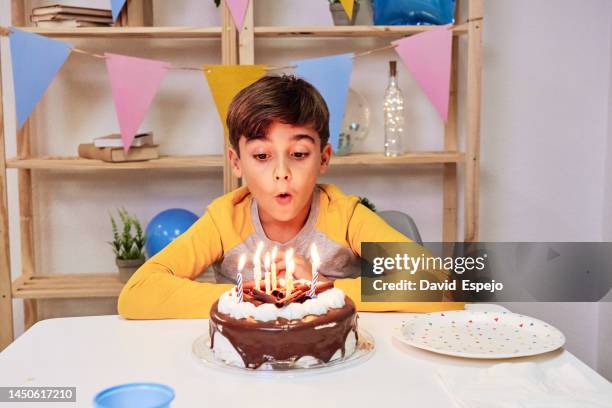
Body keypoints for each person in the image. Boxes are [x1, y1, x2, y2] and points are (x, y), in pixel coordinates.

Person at [118, 75, 462, 319]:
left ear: (324, 158)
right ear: (236, 162)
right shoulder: (225, 220)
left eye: (298, 154)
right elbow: (137, 294)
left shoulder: (345, 216)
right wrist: (252, 296)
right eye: (262, 156)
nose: (281, 173)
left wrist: (323, 291)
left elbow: (443, 288)